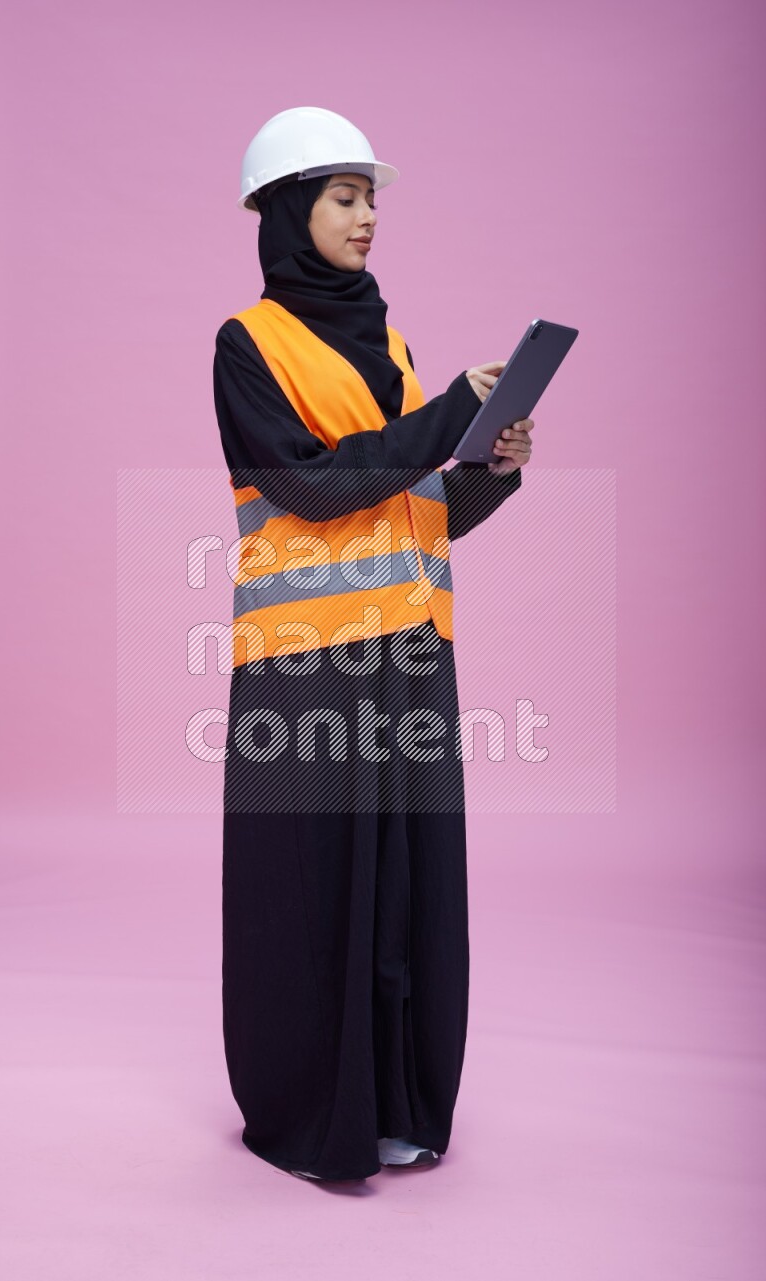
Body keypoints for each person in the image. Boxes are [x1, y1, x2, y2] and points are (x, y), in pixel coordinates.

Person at [212, 106, 533, 1183]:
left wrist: (486, 463)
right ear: (285, 210)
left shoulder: (388, 344)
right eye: (344, 197)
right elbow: (310, 483)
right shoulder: (246, 343)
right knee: (315, 886)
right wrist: (444, 420)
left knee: (404, 886)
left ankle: (395, 1103)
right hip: (306, 665)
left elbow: (410, 510)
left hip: (409, 654)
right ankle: (312, 1114)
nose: (367, 218)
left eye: (371, 200)